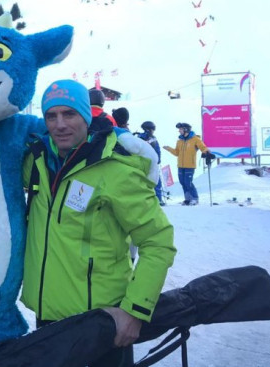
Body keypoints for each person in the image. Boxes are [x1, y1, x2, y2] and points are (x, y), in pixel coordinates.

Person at [21, 80, 176, 367]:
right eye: (51, 116)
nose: (60, 124)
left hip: (102, 321)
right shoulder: (38, 162)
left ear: (87, 115)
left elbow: (159, 242)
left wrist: (135, 311)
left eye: (70, 114)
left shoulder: (116, 170)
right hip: (48, 318)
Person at [163, 122, 211, 206]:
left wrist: (206, 153)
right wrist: (169, 149)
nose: (179, 131)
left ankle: (195, 198)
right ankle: (187, 199)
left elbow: (203, 147)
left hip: (190, 166)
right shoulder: (179, 141)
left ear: (186, 130)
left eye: (180, 129)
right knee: (182, 182)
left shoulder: (195, 139)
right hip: (180, 166)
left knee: (188, 182)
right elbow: (176, 153)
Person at [138, 121, 165, 206]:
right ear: (149, 129)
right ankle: (157, 199)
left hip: (144, 162)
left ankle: (152, 199)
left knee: (147, 181)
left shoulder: (140, 137)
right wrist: (158, 159)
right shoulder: (145, 137)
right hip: (149, 162)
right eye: (152, 129)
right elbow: (157, 149)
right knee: (156, 181)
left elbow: (157, 149)